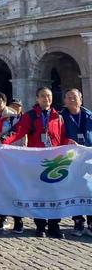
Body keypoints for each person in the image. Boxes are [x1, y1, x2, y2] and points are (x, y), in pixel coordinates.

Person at [4, 87, 70, 239]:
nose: (46, 99)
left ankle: (54, 225)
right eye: (42, 96)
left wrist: (72, 145)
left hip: (55, 162)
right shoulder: (31, 116)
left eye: (48, 96)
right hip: (38, 161)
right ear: (37, 98)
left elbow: (63, 137)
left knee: (55, 195)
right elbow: (18, 130)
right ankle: (40, 225)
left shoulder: (58, 117)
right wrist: (3, 140)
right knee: (39, 194)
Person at [0, 91, 23, 232]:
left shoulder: (13, 116)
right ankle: (3, 218)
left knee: (13, 187)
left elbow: (19, 134)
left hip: (10, 155)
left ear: (5, 102)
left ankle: (18, 220)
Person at [60, 88, 92, 237]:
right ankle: (78, 221)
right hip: (71, 158)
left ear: (81, 99)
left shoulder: (89, 116)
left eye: (74, 97)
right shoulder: (60, 117)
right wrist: (67, 141)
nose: (72, 99)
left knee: (89, 189)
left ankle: (91, 222)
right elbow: (57, 136)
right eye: (68, 97)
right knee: (75, 189)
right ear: (65, 101)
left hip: (89, 158)